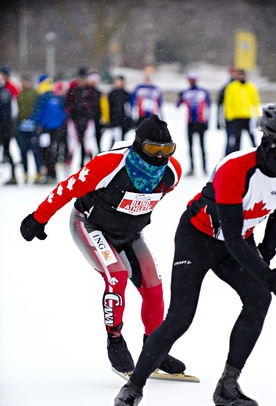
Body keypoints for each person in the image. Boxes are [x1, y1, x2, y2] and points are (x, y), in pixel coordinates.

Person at [111, 104, 276, 406]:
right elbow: (230, 236)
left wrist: (266, 266)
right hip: (197, 238)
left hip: (238, 242)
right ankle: (132, 388)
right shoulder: (235, 169)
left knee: (259, 298)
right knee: (180, 318)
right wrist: (273, 278)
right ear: (269, 144)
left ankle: (228, 386)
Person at [20, 114, 186, 376]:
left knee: (153, 288)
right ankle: (115, 340)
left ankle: (155, 349)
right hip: (89, 225)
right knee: (117, 277)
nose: (159, 157)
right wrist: (38, 219)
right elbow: (67, 188)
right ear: (138, 145)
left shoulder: (172, 173)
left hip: (129, 233)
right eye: (153, 149)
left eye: (167, 150)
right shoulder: (108, 164)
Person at [30, 74, 67, 184]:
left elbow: (37, 113)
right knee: (51, 151)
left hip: (44, 129)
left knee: (45, 151)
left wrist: (33, 121)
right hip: (56, 129)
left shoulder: (41, 96)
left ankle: (49, 173)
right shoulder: (56, 96)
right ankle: (52, 174)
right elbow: (63, 114)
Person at [176, 72, 211, 176]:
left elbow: (208, 107)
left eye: (193, 79)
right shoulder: (185, 92)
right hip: (190, 122)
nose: (192, 81)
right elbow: (177, 105)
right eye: (190, 79)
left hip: (200, 122)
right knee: (190, 146)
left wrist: (207, 121)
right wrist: (180, 97)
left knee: (202, 146)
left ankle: (204, 168)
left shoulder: (203, 92)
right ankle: (192, 168)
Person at [64, 67, 100, 168]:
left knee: (88, 143)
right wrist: (72, 110)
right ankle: (71, 163)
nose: (81, 81)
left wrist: (88, 111)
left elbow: (95, 104)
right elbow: (67, 103)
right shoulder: (73, 90)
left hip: (87, 120)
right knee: (73, 142)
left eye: (83, 79)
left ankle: (90, 163)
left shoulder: (91, 90)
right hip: (75, 120)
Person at [223, 68, 260, 155]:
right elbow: (228, 102)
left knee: (252, 137)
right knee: (237, 139)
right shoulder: (232, 87)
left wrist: (257, 115)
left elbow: (255, 102)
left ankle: (257, 153)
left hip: (247, 116)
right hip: (236, 117)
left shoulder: (250, 87)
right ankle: (236, 155)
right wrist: (229, 116)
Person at [15, 73, 42, 184]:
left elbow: (38, 107)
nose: (23, 83)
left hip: (33, 125)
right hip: (22, 125)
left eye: (24, 81)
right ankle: (25, 173)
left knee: (35, 150)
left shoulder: (35, 93)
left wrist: (34, 119)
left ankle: (38, 172)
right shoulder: (20, 94)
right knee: (23, 150)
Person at [0, 71, 17, 185]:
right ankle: (13, 175)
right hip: (7, 125)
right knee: (7, 150)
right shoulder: (6, 91)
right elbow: (14, 110)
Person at [216, 65, 238, 154]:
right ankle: (228, 157)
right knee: (230, 139)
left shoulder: (243, 86)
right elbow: (219, 104)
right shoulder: (226, 87)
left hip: (240, 117)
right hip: (229, 117)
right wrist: (218, 120)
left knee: (237, 139)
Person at [107, 75, 132, 147]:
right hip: (114, 119)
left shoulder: (126, 93)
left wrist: (128, 120)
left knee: (122, 140)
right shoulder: (112, 93)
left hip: (123, 120)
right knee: (114, 138)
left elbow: (128, 108)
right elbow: (109, 107)